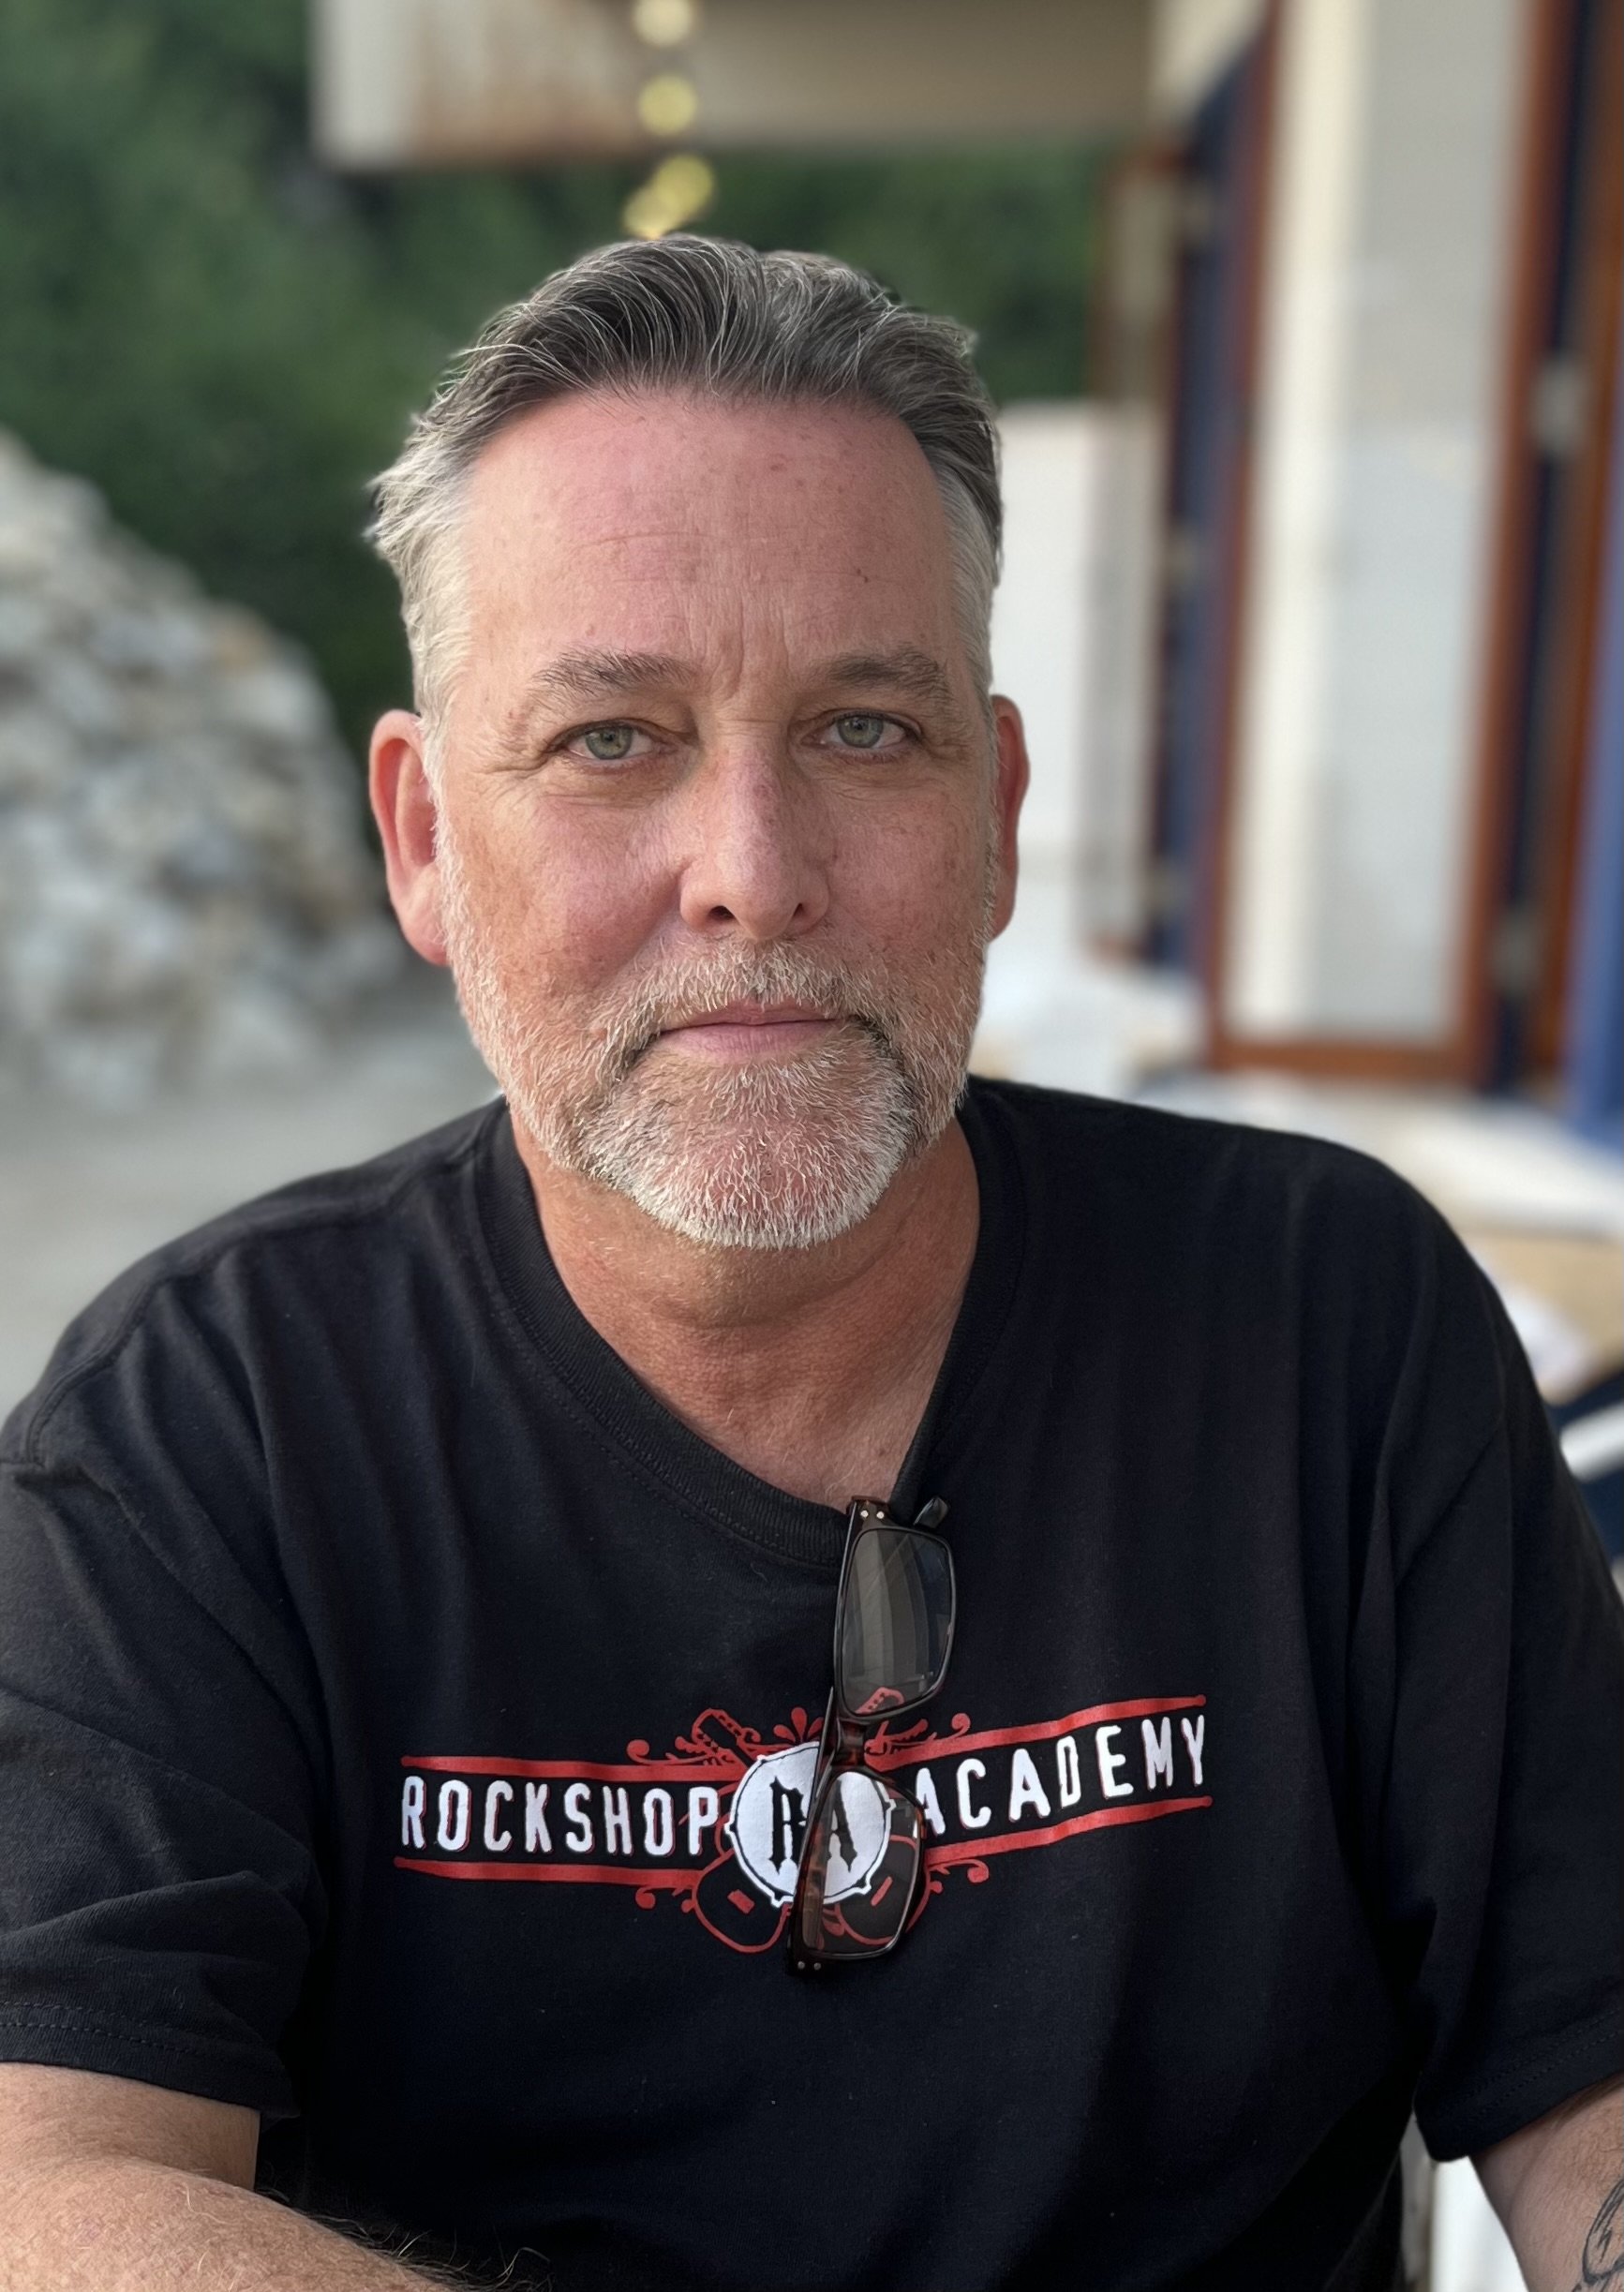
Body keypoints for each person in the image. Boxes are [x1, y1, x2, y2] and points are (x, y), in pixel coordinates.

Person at [0, 237, 1618, 2292]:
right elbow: (52, 2186)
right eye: (613, 738)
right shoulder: (200, 1426)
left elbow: (1589, 2078)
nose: (752, 873)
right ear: (421, 839)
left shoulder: (1327, 1325)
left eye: (864, 729)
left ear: (998, 813)